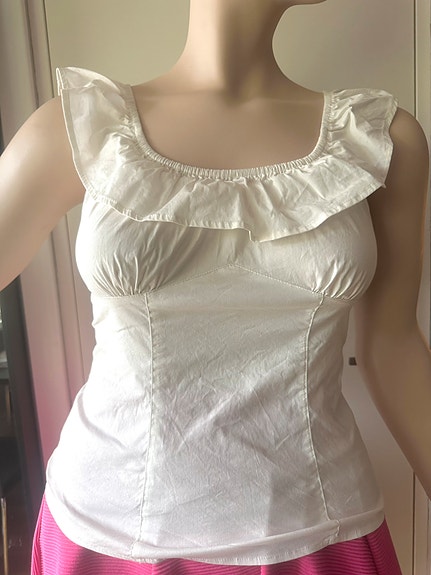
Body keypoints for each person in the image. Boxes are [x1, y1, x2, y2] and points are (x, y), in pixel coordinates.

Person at [1, 0, 430, 573]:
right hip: (107, 533)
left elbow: (393, 348)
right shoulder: (78, 126)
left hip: (323, 531)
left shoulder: (378, 138)